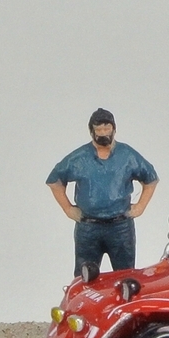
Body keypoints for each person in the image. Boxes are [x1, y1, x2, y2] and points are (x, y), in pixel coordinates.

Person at [46, 108, 158, 276]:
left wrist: (141, 206)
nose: (103, 133)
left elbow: (150, 178)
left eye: (107, 128)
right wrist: (68, 209)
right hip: (88, 228)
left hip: (120, 227)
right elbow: (55, 181)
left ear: (114, 129)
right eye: (99, 129)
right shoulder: (79, 158)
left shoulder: (127, 155)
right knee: (85, 276)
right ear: (91, 131)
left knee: (125, 275)